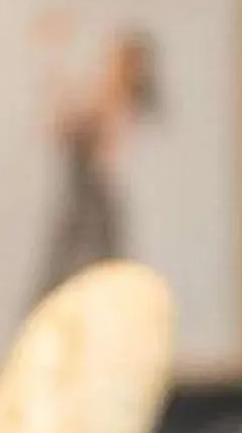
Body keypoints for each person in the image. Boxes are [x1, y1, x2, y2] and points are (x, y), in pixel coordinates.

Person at [38, 28, 159, 310]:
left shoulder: (117, 105)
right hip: (85, 197)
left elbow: (89, 137)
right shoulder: (104, 100)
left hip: (96, 196)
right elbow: (65, 123)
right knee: (69, 267)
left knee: (103, 269)